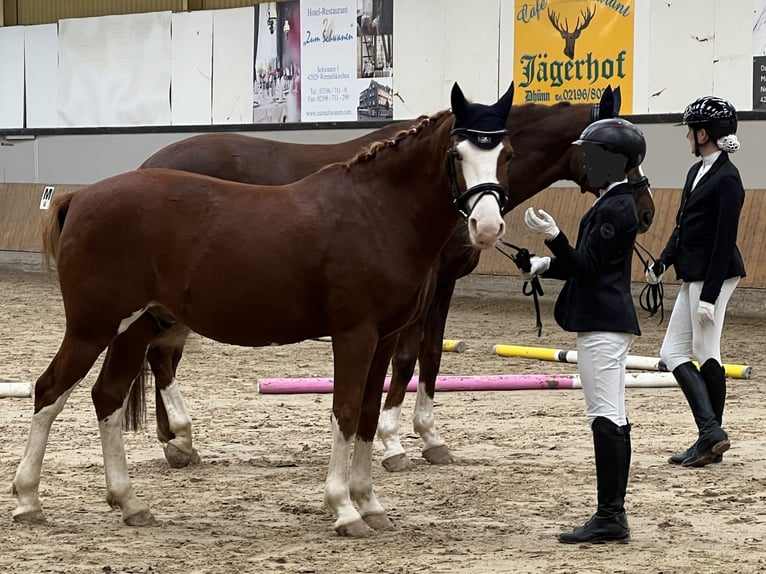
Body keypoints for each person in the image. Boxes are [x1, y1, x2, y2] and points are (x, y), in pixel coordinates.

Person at [523, 117, 647, 544]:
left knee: (606, 416)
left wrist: (554, 237)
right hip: (602, 319)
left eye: (592, 156)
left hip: (603, 322)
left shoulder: (617, 206)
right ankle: (611, 512)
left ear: (615, 161)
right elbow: (588, 264)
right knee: (610, 415)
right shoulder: (610, 200)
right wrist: (544, 264)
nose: (585, 163)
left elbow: (590, 268)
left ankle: (611, 515)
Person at [646, 96, 746, 468]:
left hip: (715, 276)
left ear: (703, 133)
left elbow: (724, 240)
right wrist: (662, 263)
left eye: (691, 130)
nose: (687, 137)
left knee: (706, 353)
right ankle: (711, 433)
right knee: (672, 353)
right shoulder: (696, 173)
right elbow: (683, 226)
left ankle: (710, 436)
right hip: (693, 272)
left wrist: (710, 294)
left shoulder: (728, 179)